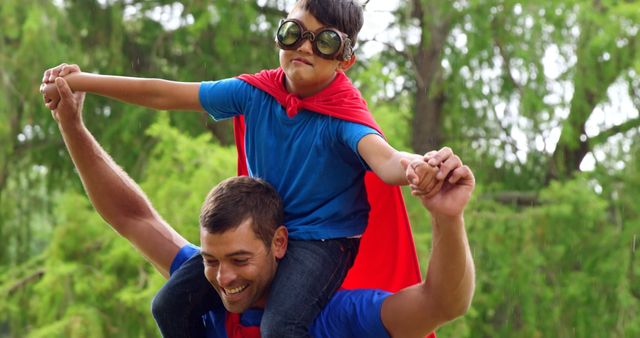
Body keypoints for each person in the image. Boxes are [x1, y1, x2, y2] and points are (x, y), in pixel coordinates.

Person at [41, 1, 454, 336]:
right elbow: (166, 94)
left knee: (281, 327)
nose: (305, 48)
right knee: (168, 305)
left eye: (325, 41)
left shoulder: (343, 117)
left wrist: (424, 166)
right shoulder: (256, 93)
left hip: (321, 243)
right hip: (263, 227)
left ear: (345, 59)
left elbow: (386, 161)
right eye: (294, 33)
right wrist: (83, 83)